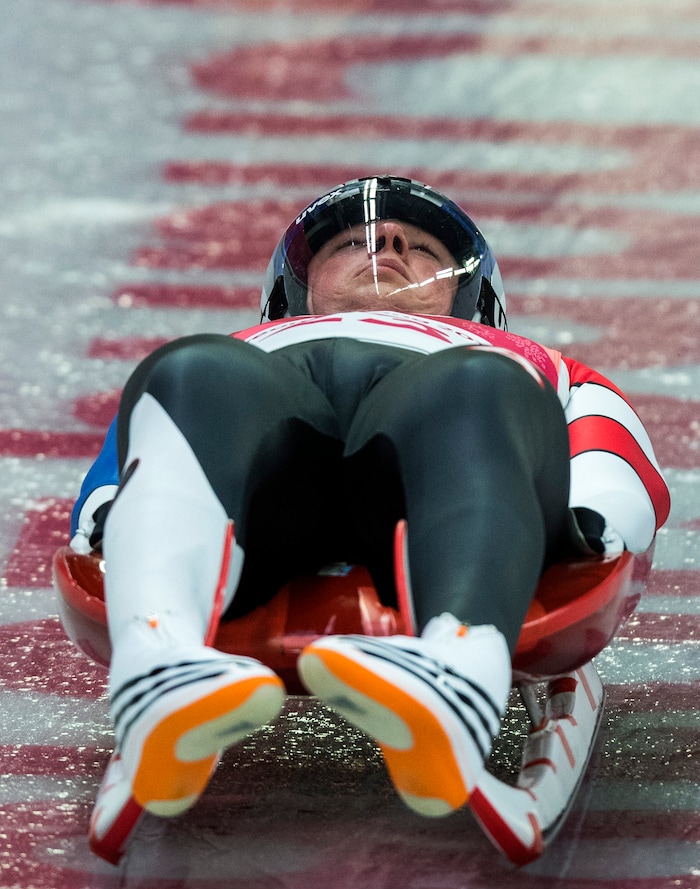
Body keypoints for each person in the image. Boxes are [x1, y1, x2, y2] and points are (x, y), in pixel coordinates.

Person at [70, 175, 670, 821]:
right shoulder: (235, 353)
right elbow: (139, 451)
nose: (386, 241)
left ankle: (457, 669)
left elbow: (611, 446)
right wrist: (104, 515)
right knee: (192, 371)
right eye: (352, 242)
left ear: (472, 298)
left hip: (446, 463)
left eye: (422, 249)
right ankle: (158, 660)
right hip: (269, 496)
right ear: (297, 291)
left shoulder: (527, 361)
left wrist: (599, 522)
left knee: (475, 386)